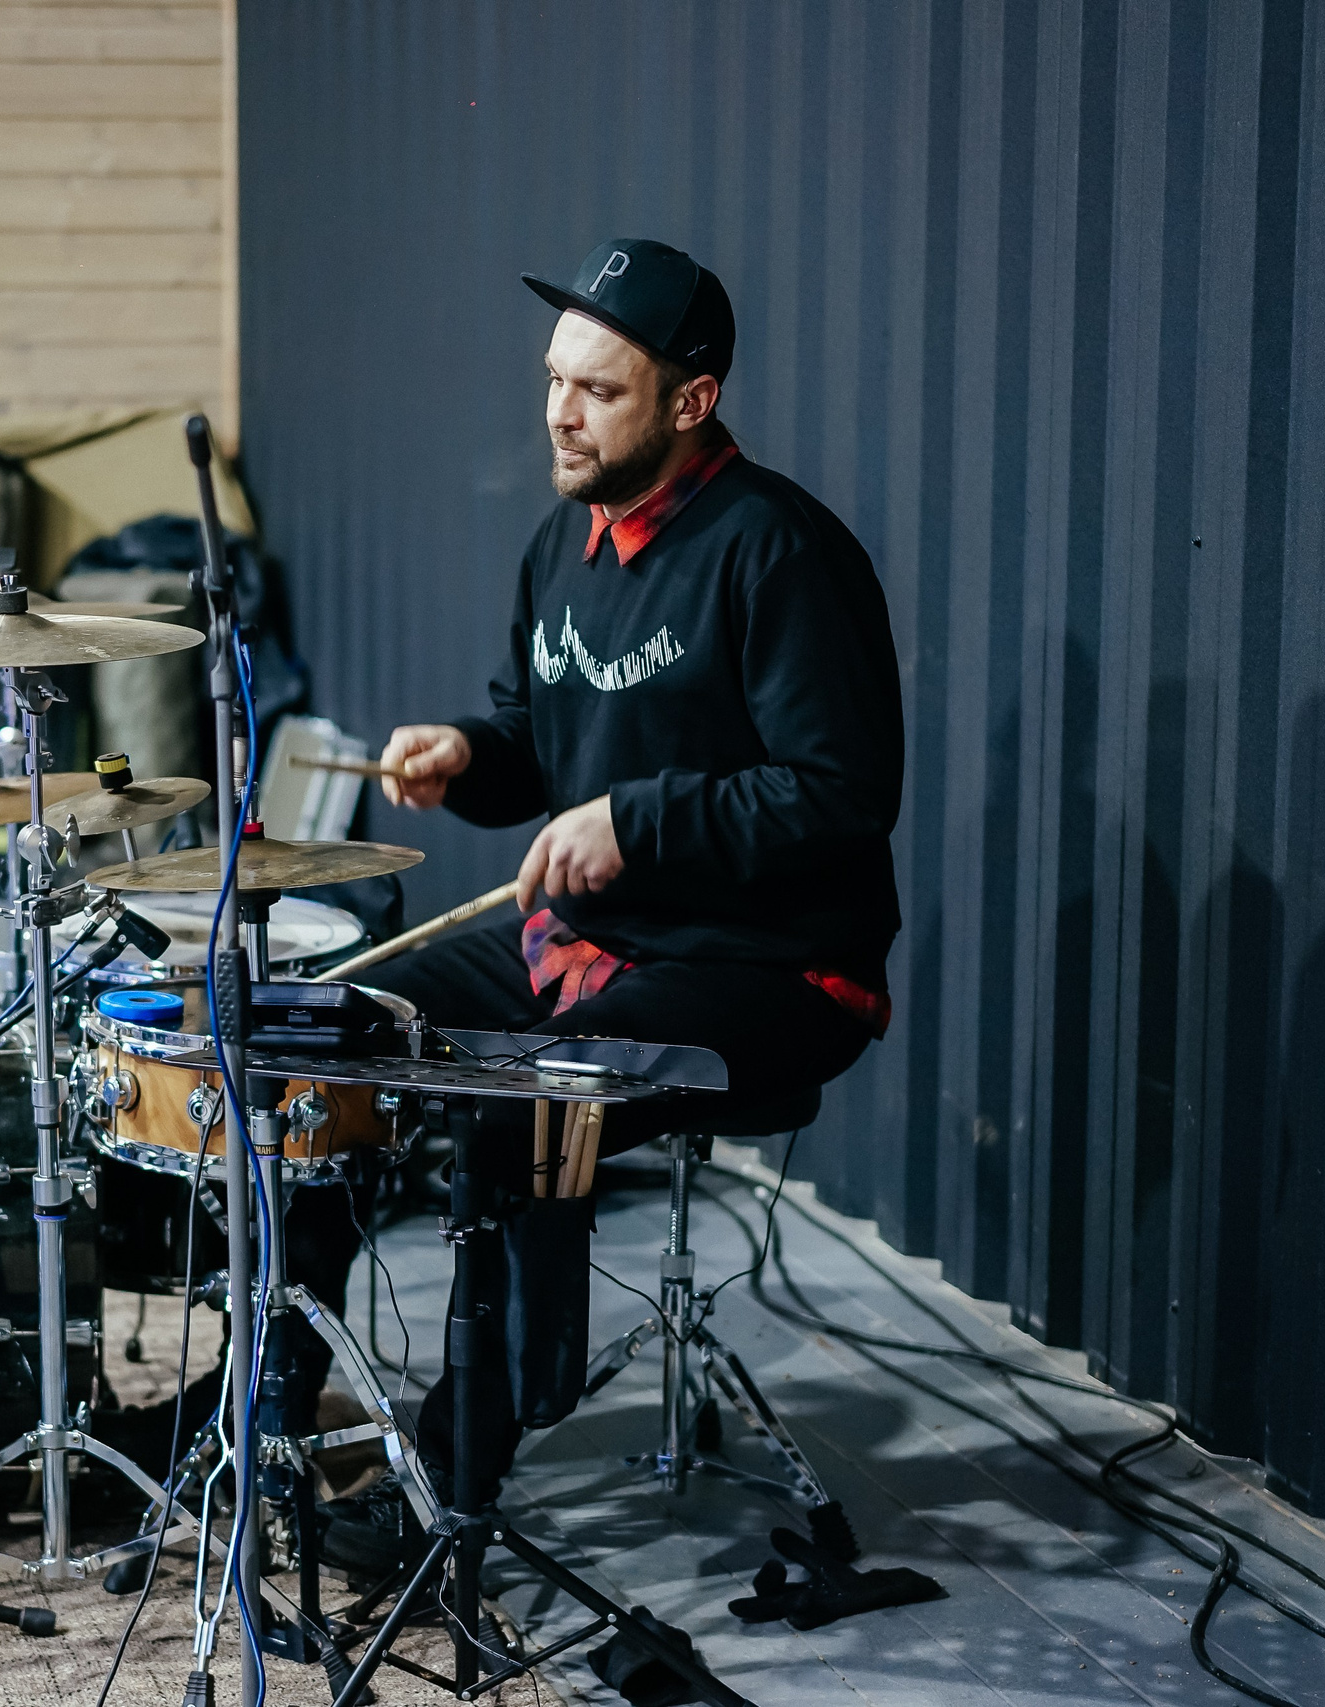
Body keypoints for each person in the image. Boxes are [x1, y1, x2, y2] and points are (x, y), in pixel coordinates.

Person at [336, 236, 907, 1491]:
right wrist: (467, 760)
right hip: (593, 944)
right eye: (553, 380)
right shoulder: (564, 546)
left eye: (598, 390)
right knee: (332, 1044)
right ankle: (276, 1405)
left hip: (766, 967)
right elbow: (544, 748)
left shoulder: (781, 553)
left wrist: (636, 822)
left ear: (692, 403)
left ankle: (454, 1479)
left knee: (518, 1110)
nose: (560, 413)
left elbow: (844, 797)